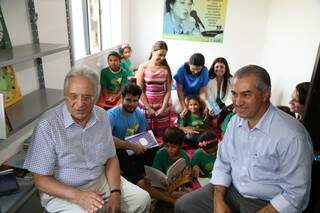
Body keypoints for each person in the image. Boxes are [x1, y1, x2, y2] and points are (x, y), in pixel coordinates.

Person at [175, 65, 314, 213]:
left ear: (265, 94)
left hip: (265, 202)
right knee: (182, 206)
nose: (237, 102)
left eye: (246, 94)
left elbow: (296, 194)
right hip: (231, 189)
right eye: (234, 94)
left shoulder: (292, 136)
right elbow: (223, 162)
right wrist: (218, 199)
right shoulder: (235, 121)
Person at [23, 67, 151, 213]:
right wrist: (78, 196)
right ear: (65, 95)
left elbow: (111, 158)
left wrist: (115, 192)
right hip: (63, 191)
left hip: (100, 180)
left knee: (143, 200)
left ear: (96, 96)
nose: (80, 104)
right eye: (73, 96)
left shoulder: (102, 115)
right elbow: (40, 180)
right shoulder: (47, 125)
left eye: (87, 97)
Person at [107, 82, 158, 185]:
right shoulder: (111, 115)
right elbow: (107, 139)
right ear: (122, 98)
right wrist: (131, 146)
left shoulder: (139, 113)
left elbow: (142, 135)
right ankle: (138, 180)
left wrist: (145, 145)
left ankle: (148, 174)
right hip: (117, 150)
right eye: (128, 100)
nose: (131, 104)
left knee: (154, 149)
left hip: (133, 149)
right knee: (120, 153)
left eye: (135, 101)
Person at [138, 127, 191, 205]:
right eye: (167, 146)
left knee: (188, 192)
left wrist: (186, 176)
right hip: (161, 186)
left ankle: (160, 197)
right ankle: (173, 201)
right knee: (141, 184)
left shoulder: (184, 156)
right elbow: (155, 172)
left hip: (177, 187)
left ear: (180, 145)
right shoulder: (160, 153)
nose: (169, 149)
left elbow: (187, 177)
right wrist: (149, 178)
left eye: (173, 147)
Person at [136, 40, 172, 137]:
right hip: (146, 105)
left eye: (164, 55)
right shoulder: (143, 67)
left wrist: (163, 108)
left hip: (161, 106)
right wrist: (148, 108)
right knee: (145, 134)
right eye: (160, 54)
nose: (162, 58)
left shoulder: (165, 68)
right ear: (153, 51)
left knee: (162, 134)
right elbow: (140, 90)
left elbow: (168, 90)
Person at [173, 53, 209, 117]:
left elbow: (203, 92)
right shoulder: (181, 70)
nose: (195, 72)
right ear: (189, 64)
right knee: (182, 108)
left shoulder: (205, 71)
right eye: (193, 69)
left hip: (195, 93)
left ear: (202, 67)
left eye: (198, 69)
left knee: (201, 107)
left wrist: (206, 105)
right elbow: (180, 91)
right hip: (181, 93)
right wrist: (184, 106)